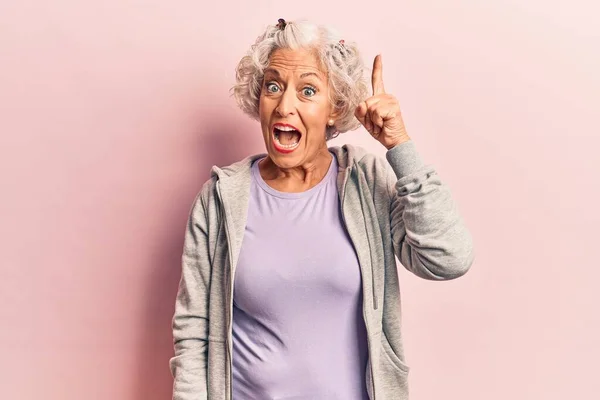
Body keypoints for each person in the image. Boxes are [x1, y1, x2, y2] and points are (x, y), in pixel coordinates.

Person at [169, 18, 474, 400]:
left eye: (308, 90)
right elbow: (194, 330)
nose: (285, 105)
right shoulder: (221, 198)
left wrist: (399, 145)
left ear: (335, 107)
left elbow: (448, 258)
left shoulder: (364, 180)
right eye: (273, 86)